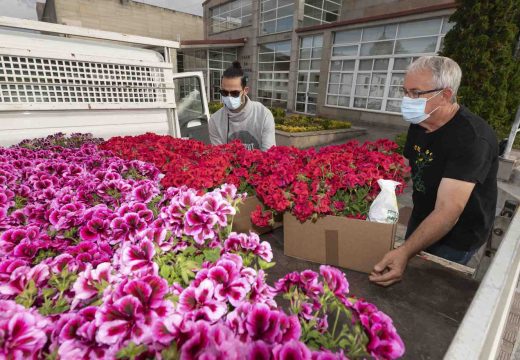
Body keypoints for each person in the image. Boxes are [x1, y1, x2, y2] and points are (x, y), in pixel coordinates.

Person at [370, 56, 498, 287]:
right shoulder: (421, 121)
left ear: (446, 95)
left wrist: (404, 251)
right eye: (405, 92)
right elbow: (410, 166)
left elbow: (448, 211)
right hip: (422, 216)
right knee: (406, 263)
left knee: (427, 285)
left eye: (416, 93)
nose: (407, 100)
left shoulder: (472, 139)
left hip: (457, 234)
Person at [209, 61, 275, 151]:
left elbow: (269, 154)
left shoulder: (263, 115)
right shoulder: (215, 120)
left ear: (245, 90)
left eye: (234, 93)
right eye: (224, 92)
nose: (229, 97)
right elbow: (219, 157)